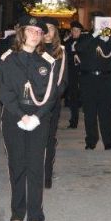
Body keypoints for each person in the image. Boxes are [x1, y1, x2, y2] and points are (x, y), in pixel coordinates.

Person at [0, 15, 60, 221]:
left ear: (43, 37)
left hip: (39, 120)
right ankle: (17, 212)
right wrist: (20, 115)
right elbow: (4, 92)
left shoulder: (47, 61)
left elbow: (52, 95)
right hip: (14, 119)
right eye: (31, 30)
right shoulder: (8, 59)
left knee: (35, 168)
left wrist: (37, 116)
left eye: (39, 32)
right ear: (22, 33)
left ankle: (36, 217)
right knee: (17, 166)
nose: (35, 34)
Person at [76, 18, 111, 150]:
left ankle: (108, 140)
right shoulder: (86, 37)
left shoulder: (110, 39)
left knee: (106, 112)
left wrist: (108, 41)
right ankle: (91, 140)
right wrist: (95, 34)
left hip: (105, 79)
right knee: (89, 112)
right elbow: (79, 48)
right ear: (93, 24)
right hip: (88, 79)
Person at [42, 18, 68, 189]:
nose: (47, 33)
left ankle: (47, 175)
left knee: (49, 139)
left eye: (51, 29)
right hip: (33, 102)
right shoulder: (34, 49)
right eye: (45, 29)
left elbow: (63, 80)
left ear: (55, 32)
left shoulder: (61, 52)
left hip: (52, 103)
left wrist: (52, 98)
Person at [64, 21, 84, 128]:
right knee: (73, 97)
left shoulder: (85, 41)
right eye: (74, 30)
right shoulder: (67, 42)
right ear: (71, 31)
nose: (76, 32)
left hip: (83, 72)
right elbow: (65, 55)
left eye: (78, 31)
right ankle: (73, 120)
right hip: (72, 72)